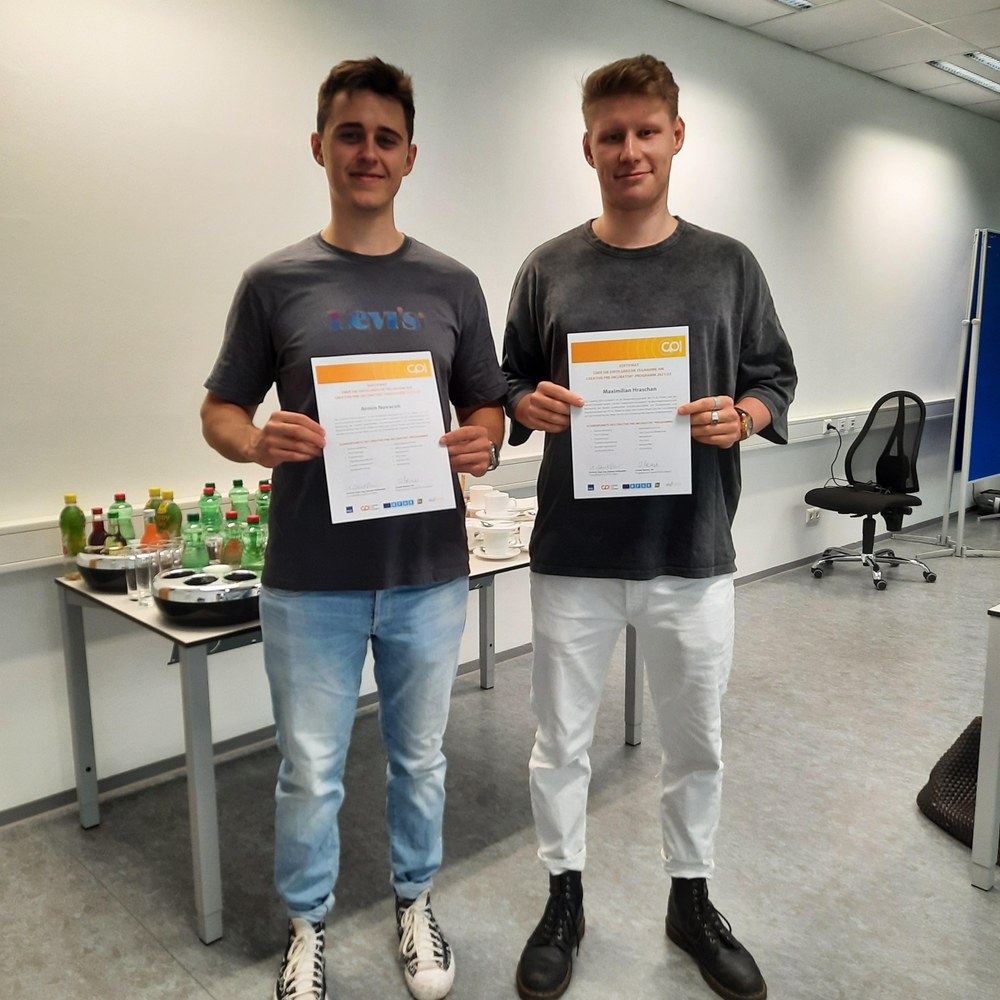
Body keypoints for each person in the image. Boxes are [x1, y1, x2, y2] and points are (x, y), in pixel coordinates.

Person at [201, 57, 506, 1000]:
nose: (368, 153)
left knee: (420, 759)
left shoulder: (453, 284)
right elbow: (219, 410)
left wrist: (484, 440)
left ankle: (416, 903)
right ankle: (307, 925)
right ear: (319, 147)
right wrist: (256, 440)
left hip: (427, 571)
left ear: (410, 156)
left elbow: (488, 406)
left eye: (385, 138)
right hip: (310, 581)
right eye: (350, 135)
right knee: (310, 771)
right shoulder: (274, 281)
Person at [501, 54, 796, 1000]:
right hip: (575, 556)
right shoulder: (548, 267)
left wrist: (744, 415)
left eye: (646, 132)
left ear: (677, 136)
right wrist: (525, 404)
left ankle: (690, 899)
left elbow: (775, 376)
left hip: (690, 550)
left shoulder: (727, 265)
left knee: (695, 743)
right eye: (611, 135)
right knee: (560, 744)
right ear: (587, 146)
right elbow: (506, 380)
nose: (629, 150)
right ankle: (564, 898)